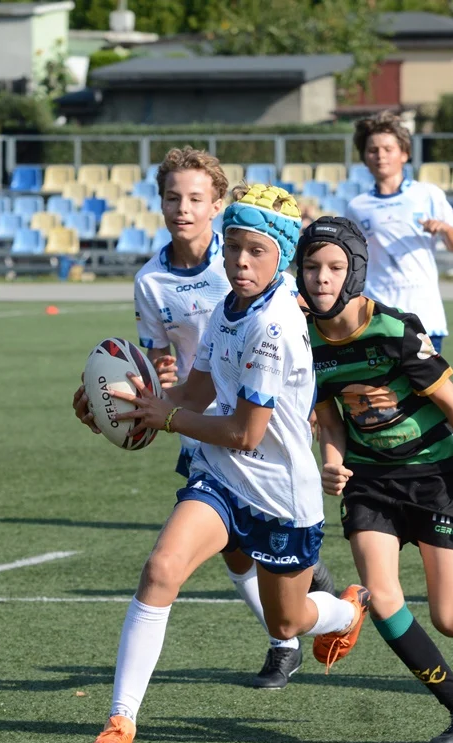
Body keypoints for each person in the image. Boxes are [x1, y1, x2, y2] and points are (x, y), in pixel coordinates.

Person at [72, 184, 371, 743]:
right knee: (160, 570)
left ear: (280, 255)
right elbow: (194, 392)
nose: (239, 262)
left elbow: (245, 432)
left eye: (254, 251)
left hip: (282, 497)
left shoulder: (275, 324)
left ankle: (343, 611)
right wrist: (125, 404)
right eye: (232, 247)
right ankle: (120, 723)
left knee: (287, 623)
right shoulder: (227, 307)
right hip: (219, 479)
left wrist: (168, 417)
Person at [300, 216, 453, 743]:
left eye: (334, 267)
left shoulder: (393, 331)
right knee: (384, 594)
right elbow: (330, 419)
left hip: (437, 478)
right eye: (311, 266)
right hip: (370, 483)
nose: (321, 278)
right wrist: (331, 460)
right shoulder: (305, 343)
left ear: (356, 272)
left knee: (452, 622)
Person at [133, 147, 336, 690]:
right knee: (194, 560)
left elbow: (297, 357)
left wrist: (314, 409)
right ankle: (120, 720)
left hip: (261, 438)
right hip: (208, 432)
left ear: (215, 204)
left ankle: (313, 615)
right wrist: (128, 404)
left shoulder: (263, 282)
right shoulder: (154, 283)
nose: (183, 208)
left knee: (280, 596)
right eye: (172, 197)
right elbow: (169, 372)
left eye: (196, 198)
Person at [346, 111, 453, 354]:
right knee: (381, 391)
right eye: (373, 150)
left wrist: (443, 229)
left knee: (426, 390)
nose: (380, 156)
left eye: (388, 149)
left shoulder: (428, 195)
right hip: (378, 316)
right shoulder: (356, 207)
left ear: (404, 154)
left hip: (424, 316)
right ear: (364, 158)